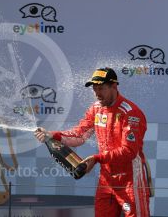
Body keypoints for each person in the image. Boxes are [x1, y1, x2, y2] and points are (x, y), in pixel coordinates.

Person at [34, 67, 150, 217]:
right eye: (94, 89)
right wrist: (52, 135)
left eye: (101, 88)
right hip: (106, 180)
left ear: (114, 86)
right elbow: (79, 135)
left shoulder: (131, 113)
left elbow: (129, 152)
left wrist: (97, 158)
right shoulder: (96, 109)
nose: (97, 94)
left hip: (130, 180)